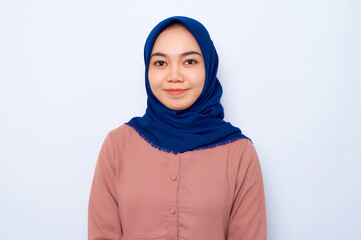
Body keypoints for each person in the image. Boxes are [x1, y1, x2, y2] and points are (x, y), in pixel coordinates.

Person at [88, 16, 267, 240]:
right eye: (161, 63)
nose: (174, 77)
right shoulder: (118, 145)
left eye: (190, 61)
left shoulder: (239, 152)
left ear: (209, 67)